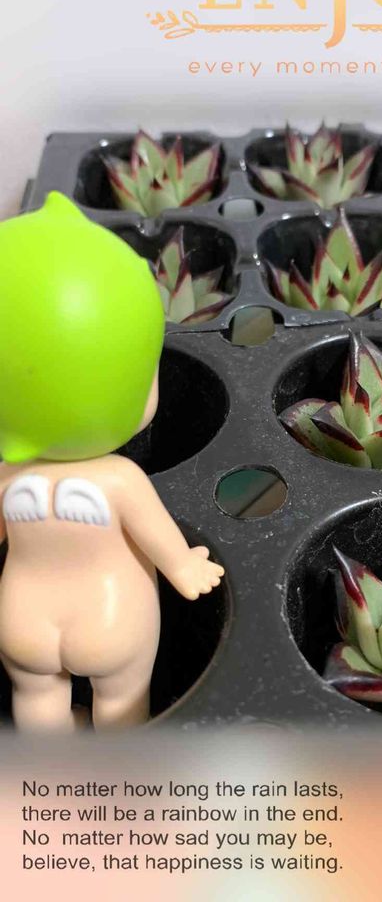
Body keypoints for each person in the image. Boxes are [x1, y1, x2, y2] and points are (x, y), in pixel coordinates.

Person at [0, 192, 224, 732]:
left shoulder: (6, 480)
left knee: (35, 694)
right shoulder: (120, 480)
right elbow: (165, 547)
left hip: (22, 616)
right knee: (122, 698)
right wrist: (186, 568)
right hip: (112, 617)